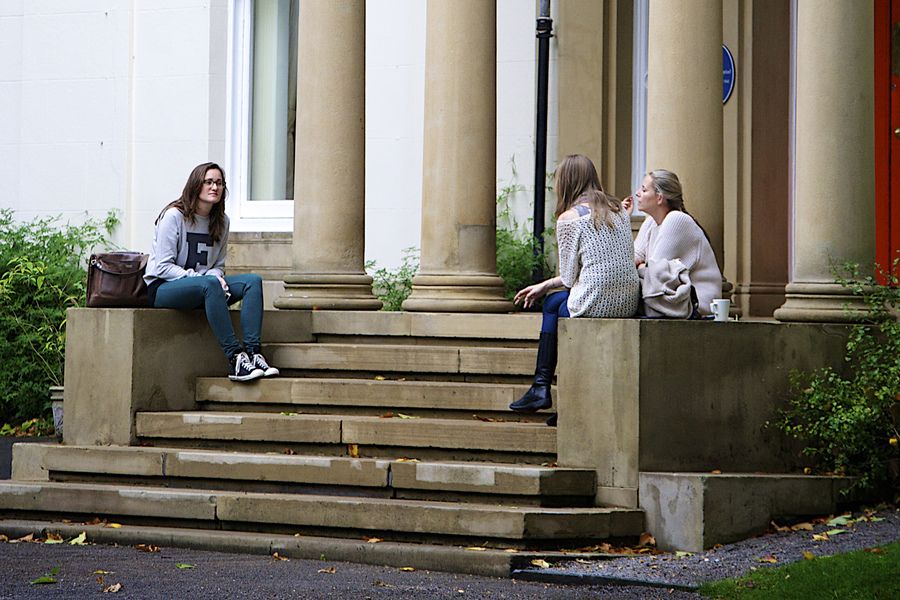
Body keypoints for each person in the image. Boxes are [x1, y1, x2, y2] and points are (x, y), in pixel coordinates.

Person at [509, 154, 640, 425]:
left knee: (552, 305)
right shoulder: (618, 210)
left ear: (566, 182)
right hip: (628, 299)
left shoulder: (569, 219)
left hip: (596, 300)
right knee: (556, 302)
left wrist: (545, 289)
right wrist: (544, 285)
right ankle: (554, 397)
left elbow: (569, 279)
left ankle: (541, 388)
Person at [144, 162, 279, 382]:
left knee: (252, 281)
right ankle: (235, 358)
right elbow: (162, 267)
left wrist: (215, 276)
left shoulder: (222, 222)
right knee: (210, 284)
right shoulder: (174, 216)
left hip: (206, 288)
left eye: (219, 183)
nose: (214, 187)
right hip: (163, 288)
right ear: (196, 185)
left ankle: (253, 354)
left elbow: (218, 265)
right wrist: (206, 279)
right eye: (208, 182)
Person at [623, 170, 722, 318]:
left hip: (698, 305)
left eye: (644, 190)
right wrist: (623, 220)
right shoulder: (651, 221)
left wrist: (643, 266)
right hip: (672, 301)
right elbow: (630, 260)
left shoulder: (677, 220)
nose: (637, 193)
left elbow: (653, 274)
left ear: (659, 198)